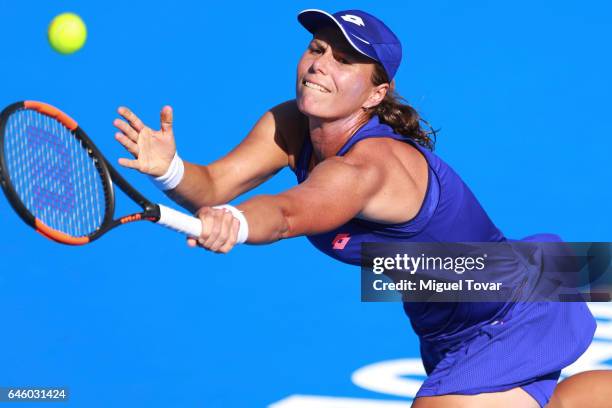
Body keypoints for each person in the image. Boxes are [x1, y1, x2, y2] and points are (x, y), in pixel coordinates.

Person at [112, 8, 610, 408]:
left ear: (376, 93)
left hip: (508, 307)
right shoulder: (290, 125)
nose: (319, 65)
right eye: (316, 49)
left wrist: (238, 222)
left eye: (344, 60)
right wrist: (170, 169)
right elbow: (214, 184)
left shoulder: (372, 167)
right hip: (454, 317)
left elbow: (288, 212)